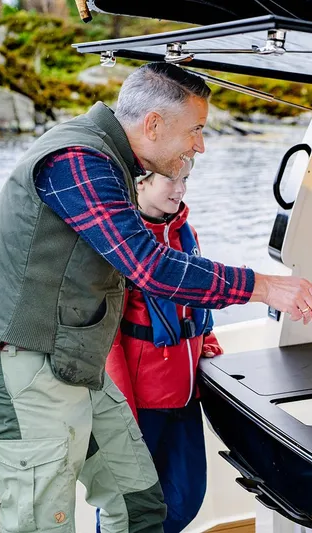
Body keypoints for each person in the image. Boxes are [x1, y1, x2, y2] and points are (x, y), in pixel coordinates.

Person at [0, 62, 312, 533]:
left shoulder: (111, 164)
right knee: (39, 524)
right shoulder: (77, 158)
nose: (200, 145)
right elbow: (149, 266)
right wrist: (266, 286)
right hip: (25, 365)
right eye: (195, 130)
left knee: (141, 506)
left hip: (74, 363)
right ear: (153, 124)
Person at [101, 158, 219, 532]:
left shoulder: (188, 235)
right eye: (171, 179)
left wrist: (208, 341)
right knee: (127, 508)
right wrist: (124, 413)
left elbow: (198, 304)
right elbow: (107, 339)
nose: (180, 189)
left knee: (186, 498)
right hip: (141, 403)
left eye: (186, 179)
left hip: (186, 396)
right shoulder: (122, 244)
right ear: (140, 182)